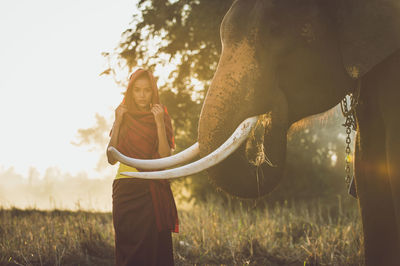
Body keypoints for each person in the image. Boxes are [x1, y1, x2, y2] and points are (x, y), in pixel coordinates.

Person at [107, 68, 179, 266]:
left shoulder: (160, 114)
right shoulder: (123, 114)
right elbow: (111, 157)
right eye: (137, 90)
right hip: (126, 189)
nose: (142, 95)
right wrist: (119, 120)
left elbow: (165, 156)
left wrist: (158, 123)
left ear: (153, 91)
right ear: (130, 92)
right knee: (130, 250)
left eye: (147, 90)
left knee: (153, 250)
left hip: (152, 189)